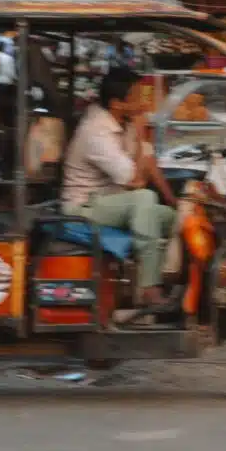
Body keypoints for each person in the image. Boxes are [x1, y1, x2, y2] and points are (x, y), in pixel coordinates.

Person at [62, 67, 176, 310]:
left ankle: (171, 277)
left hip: (111, 200)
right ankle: (149, 287)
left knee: (174, 219)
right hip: (84, 206)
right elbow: (136, 180)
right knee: (144, 198)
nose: (143, 102)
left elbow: (149, 162)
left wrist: (173, 200)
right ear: (117, 103)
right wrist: (142, 130)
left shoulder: (124, 122)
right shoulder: (96, 131)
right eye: (135, 97)